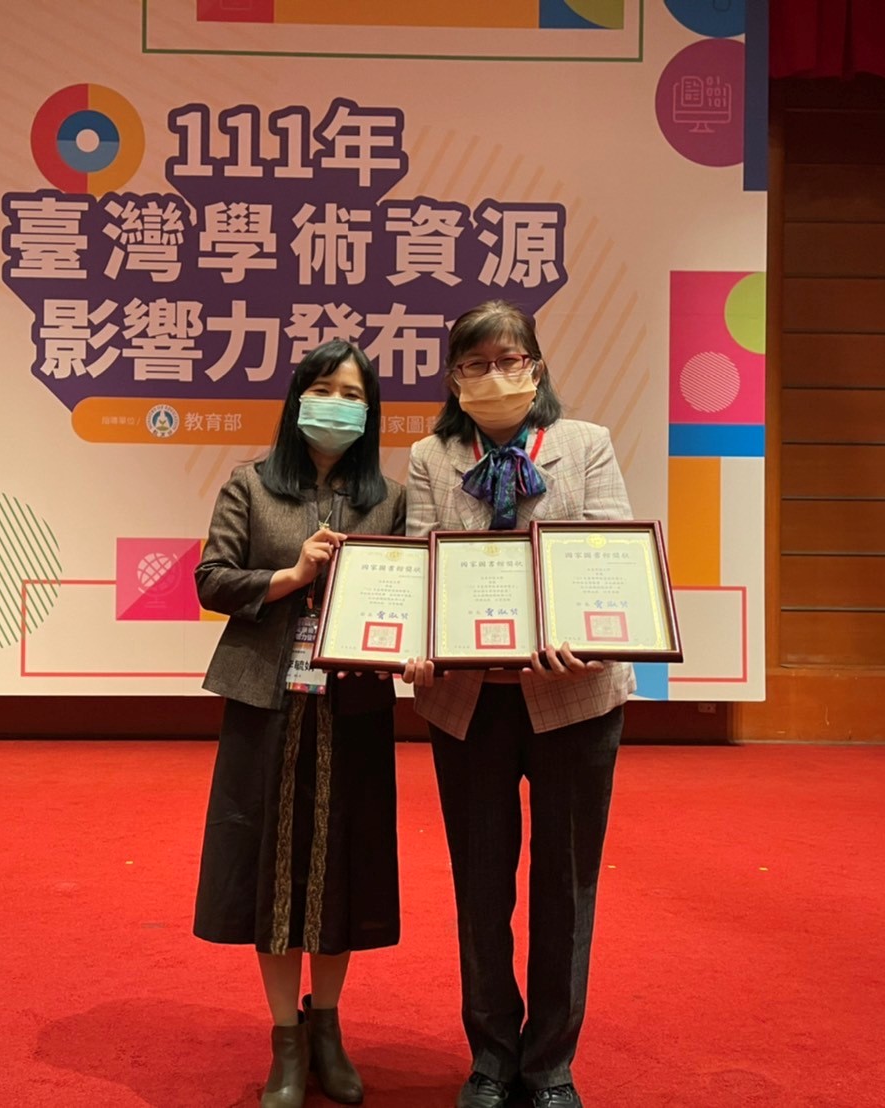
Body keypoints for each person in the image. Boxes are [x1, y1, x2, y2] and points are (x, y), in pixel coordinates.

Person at [402, 301, 634, 1108]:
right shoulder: (430, 457)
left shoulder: (585, 444)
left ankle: (550, 1066)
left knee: (566, 886)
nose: (494, 376)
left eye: (509, 360)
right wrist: (415, 642)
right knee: (481, 885)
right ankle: (492, 1058)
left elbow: (610, 556)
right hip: (468, 704)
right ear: (454, 377)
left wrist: (593, 639)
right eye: (476, 363)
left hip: (576, 696)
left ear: (536, 367)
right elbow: (422, 566)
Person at [194, 339, 406, 1108]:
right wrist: (292, 575)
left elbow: (410, 591)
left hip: (353, 708)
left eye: (354, 394)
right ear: (297, 399)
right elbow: (211, 580)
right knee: (271, 869)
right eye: (325, 389)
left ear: (370, 412)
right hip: (268, 703)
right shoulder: (250, 484)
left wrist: (416, 642)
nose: (338, 405)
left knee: (343, 867)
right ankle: (285, 1038)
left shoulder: (388, 497)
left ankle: (329, 1028)